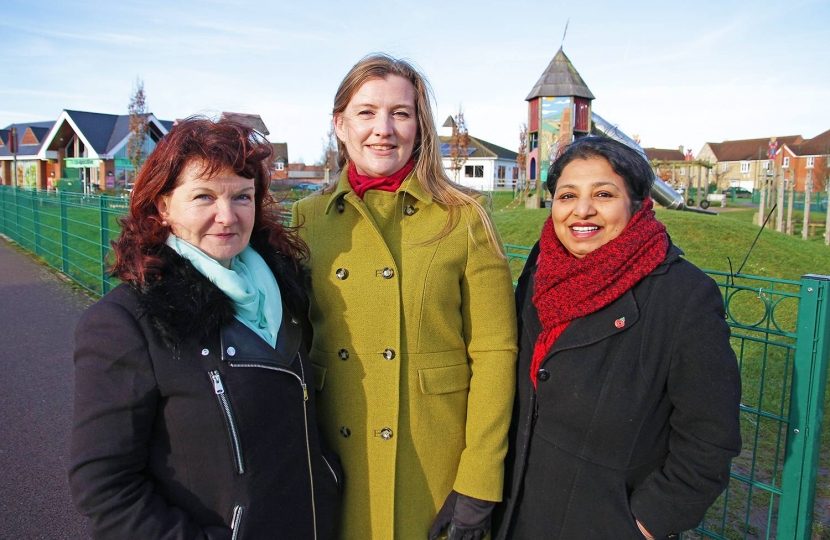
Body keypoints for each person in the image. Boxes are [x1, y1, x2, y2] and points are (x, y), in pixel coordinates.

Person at [69, 117, 340, 540]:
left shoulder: (286, 297)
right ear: (163, 206)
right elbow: (105, 487)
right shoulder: (127, 322)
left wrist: (328, 482)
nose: (226, 216)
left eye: (242, 196)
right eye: (203, 196)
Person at [291, 53, 518, 540]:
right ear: (340, 125)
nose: (383, 129)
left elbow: (496, 353)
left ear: (420, 124)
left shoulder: (464, 216)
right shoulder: (308, 219)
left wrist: (478, 483)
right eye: (366, 112)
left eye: (400, 112)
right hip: (337, 457)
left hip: (431, 463)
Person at [494, 136, 742, 540]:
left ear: (639, 203)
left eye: (604, 194)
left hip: (603, 521)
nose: (582, 210)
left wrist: (645, 522)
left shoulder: (682, 296)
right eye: (567, 195)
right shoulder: (542, 268)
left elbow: (710, 438)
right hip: (517, 512)